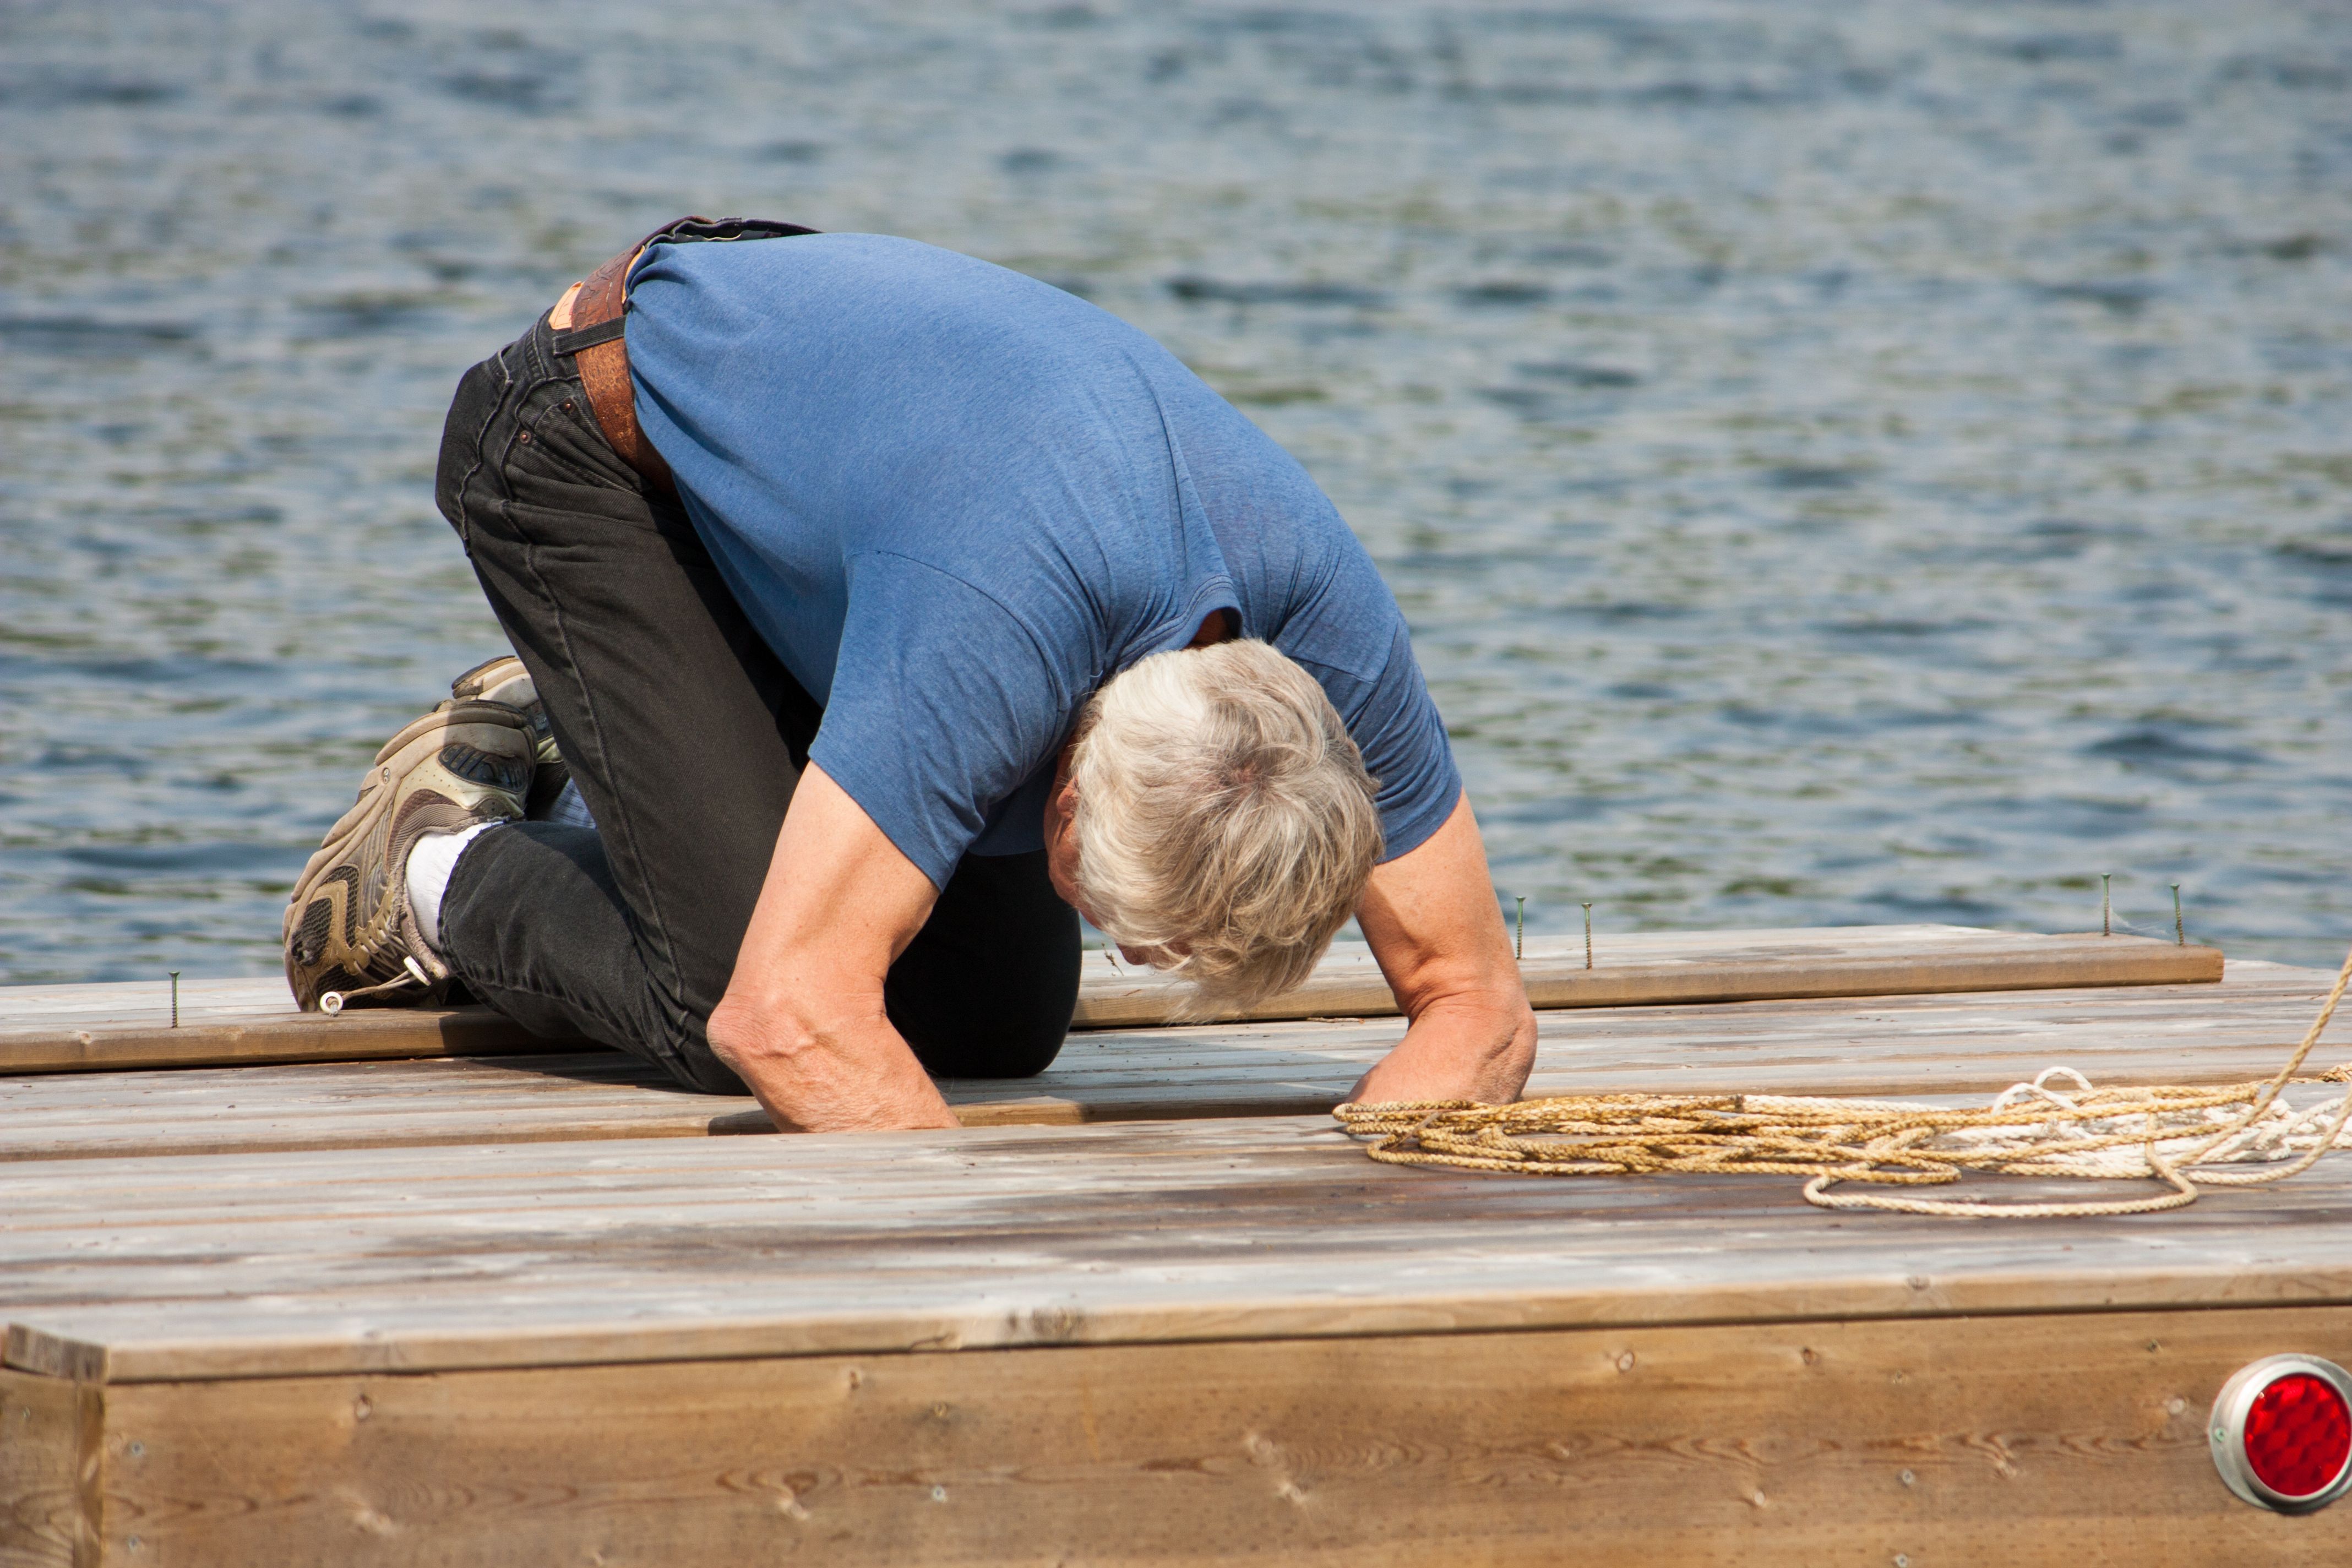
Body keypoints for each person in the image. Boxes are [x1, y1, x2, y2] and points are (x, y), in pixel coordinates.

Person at [283, 218, 1536, 1133]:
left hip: (882, 514)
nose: (1132, 957)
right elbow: (790, 1015)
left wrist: (1352, 1198)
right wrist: (1005, 1270)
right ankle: (436, 861)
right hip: (593, 449)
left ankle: (604, 753)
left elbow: (1478, 1003)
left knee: (998, 1021)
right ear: (1060, 784)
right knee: (728, 990)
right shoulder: (998, 624)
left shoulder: (1326, 644)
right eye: (1122, 920)